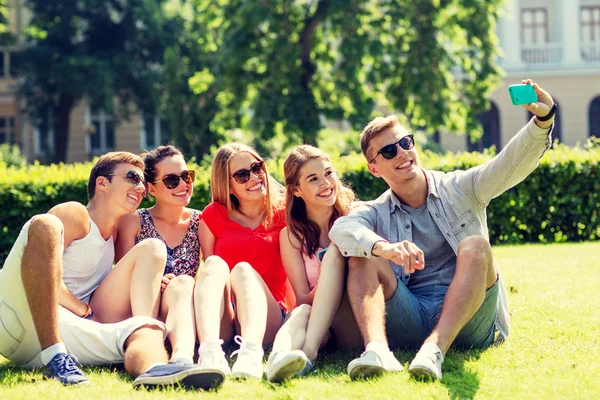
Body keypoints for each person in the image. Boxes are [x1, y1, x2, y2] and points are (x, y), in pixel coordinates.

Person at [329, 79, 556, 381]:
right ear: (373, 168)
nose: (402, 153)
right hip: (411, 314)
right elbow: (342, 230)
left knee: (475, 245)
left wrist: (543, 120)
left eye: (405, 143)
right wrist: (385, 248)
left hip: (471, 318)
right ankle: (378, 351)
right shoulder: (374, 212)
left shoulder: (461, 188)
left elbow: (509, 164)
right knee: (361, 254)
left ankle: (434, 350)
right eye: (388, 152)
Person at [0, 152, 210, 389]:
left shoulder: (116, 234)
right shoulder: (76, 214)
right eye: (132, 178)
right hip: (20, 313)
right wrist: (84, 310)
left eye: (142, 181)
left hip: (69, 329)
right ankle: (55, 355)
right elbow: (41, 269)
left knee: (141, 327)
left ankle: (158, 371)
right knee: (45, 225)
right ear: (102, 183)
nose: (140, 187)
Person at [264, 145, 362, 382]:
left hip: (354, 318)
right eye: (314, 179)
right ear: (296, 190)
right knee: (303, 310)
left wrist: (332, 273)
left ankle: (308, 353)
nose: (326, 183)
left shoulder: (356, 215)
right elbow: (302, 298)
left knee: (335, 252)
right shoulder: (291, 236)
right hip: (319, 323)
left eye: (329, 173)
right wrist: (326, 285)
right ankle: (279, 358)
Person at [193, 143, 289, 380]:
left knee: (243, 270)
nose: (255, 177)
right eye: (242, 175)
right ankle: (209, 351)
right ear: (228, 186)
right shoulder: (214, 214)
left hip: (270, 315)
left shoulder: (286, 211)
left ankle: (251, 354)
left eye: (257, 168)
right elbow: (209, 277)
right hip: (227, 317)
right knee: (214, 264)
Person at [115, 145, 200, 370]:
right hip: (142, 311)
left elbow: (210, 276)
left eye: (187, 176)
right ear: (151, 189)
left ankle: (182, 358)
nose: (183, 185)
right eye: (172, 180)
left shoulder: (201, 223)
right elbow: (126, 276)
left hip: (184, 307)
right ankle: (154, 346)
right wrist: (156, 281)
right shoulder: (133, 221)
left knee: (182, 283)